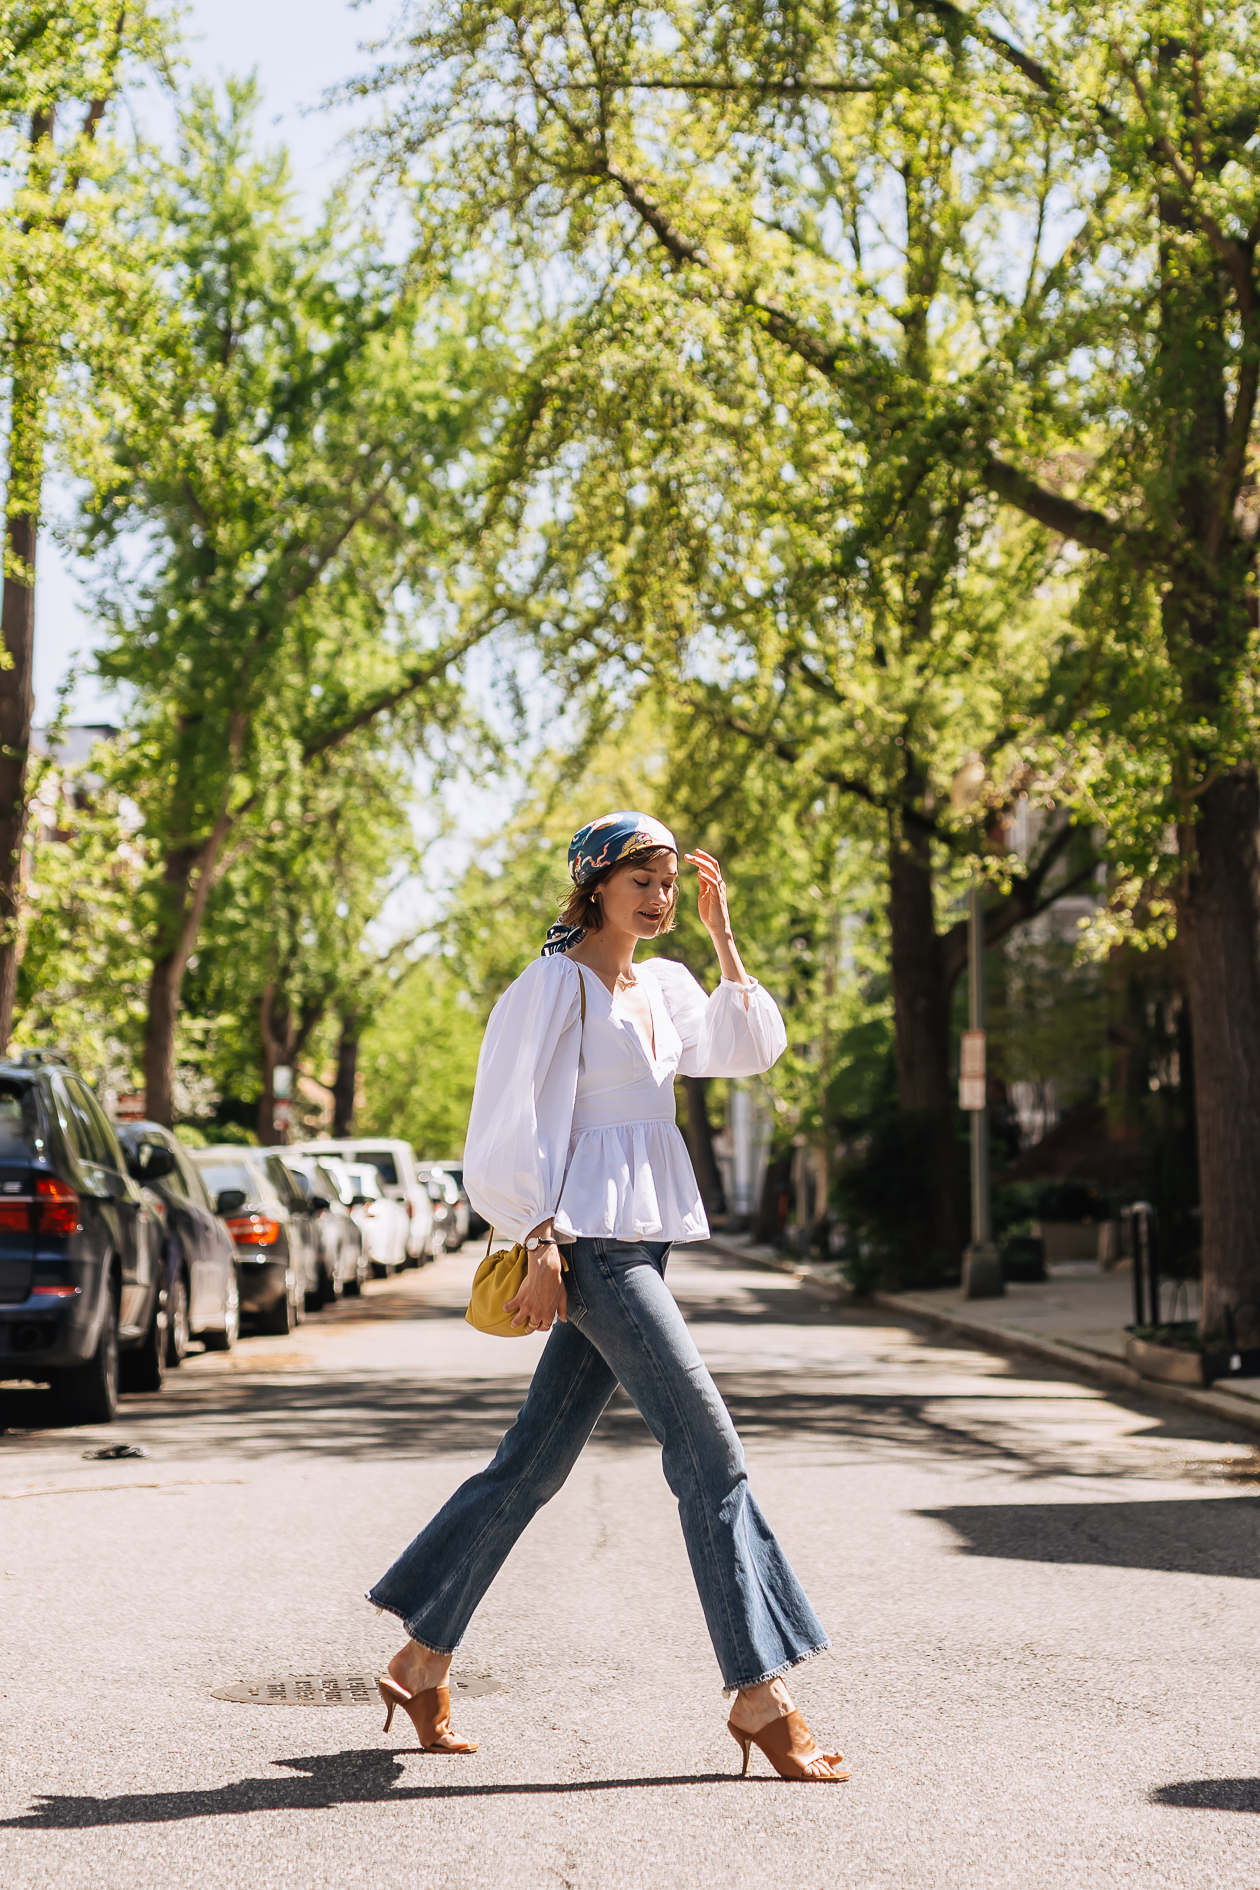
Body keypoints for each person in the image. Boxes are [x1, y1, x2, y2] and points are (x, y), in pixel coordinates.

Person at [369, 811, 848, 1782]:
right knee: (709, 1450)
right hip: (590, 1249)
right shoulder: (554, 987)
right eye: (644, 879)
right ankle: (760, 1695)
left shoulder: (666, 986)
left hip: (645, 1241)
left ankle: (421, 1661)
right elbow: (511, 1118)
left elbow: (749, 1044)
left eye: (671, 882)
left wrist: (721, 934)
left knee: (532, 1465)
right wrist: (537, 1235)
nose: (660, 896)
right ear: (594, 883)